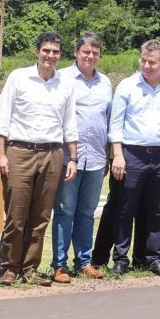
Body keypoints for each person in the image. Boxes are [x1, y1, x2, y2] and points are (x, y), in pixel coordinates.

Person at [0, 31, 78, 287]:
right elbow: (3, 118)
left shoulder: (65, 83)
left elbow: (69, 123)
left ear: (60, 55)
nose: (50, 56)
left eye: (55, 52)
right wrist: (0, 153)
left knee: (41, 217)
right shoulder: (19, 77)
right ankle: (9, 268)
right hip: (19, 152)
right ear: (37, 51)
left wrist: (72, 157)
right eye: (46, 51)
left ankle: (30, 268)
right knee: (16, 215)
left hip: (52, 153)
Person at [108, 39, 160, 278]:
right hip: (132, 154)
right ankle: (121, 259)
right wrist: (117, 155)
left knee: (156, 210)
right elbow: (115, 124)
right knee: (125, 208)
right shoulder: (127, 86)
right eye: (144, 61)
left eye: (152, 62)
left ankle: (151, 257)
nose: (147, 66)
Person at [51, 32, 111, 283]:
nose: (90, 56)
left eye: (95, 53)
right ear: (76, 53)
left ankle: (84, 261)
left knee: (87, 212)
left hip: (96, 157)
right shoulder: (61, 78)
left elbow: (108, 120)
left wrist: (109, 155)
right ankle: (60, 265)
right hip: (68, 158)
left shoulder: (105, 82)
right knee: (65, 211)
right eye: (86, 51)